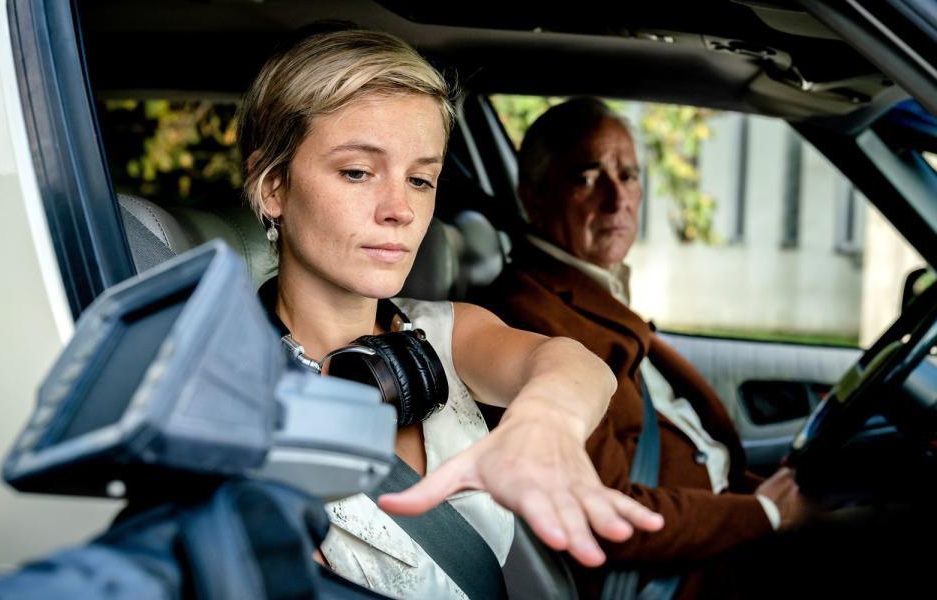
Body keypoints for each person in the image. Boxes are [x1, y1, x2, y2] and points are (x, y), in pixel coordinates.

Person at [235, 31, 663, 599]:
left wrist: (548, 421)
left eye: (420, 179)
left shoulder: (443, 333)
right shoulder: (229, 395)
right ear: (273, 188)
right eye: (358, 172)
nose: (400, 211)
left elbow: (574, 364)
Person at [478, 97, 810, 599]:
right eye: (588, 177)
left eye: (629, 176)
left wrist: (754, 492)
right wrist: (764, 513)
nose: (618, 199)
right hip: (667, 577)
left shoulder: (593, 290)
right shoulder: (526, 316)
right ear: (534, 197)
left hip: (712, 528)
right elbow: (608, 507)